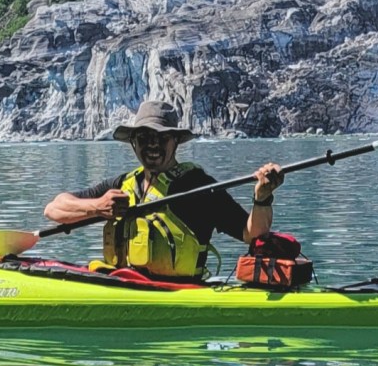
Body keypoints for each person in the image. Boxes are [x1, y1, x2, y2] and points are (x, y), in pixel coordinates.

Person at [43, 100, 283, 281]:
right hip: (121, 285)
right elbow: (54, 209)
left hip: (175, 290)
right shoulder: (122, 185)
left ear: (175, 141)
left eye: (162, 138)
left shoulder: (198, 186)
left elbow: (251, 234)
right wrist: (96, 207)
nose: (153, 145)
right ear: (134, 142)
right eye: (145, 137)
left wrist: (262, 198)